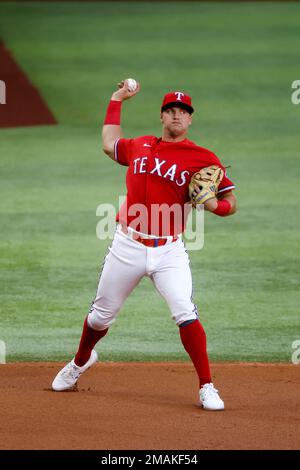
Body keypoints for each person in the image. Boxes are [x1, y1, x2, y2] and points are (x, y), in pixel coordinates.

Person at [52, 80, 237, 411]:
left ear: (190, 119)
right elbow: (109, 144)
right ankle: (80, 362)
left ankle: (207, 385)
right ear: (162, 117)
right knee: (99, 318)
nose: (177, 115)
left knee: (185, 311)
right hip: (127, 245)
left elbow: (230, 201)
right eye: (171, 111)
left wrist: (213, 205)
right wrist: (116, 99)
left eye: (183, 111)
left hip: (169, 251)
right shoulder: (139, 145)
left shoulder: (203, 157)